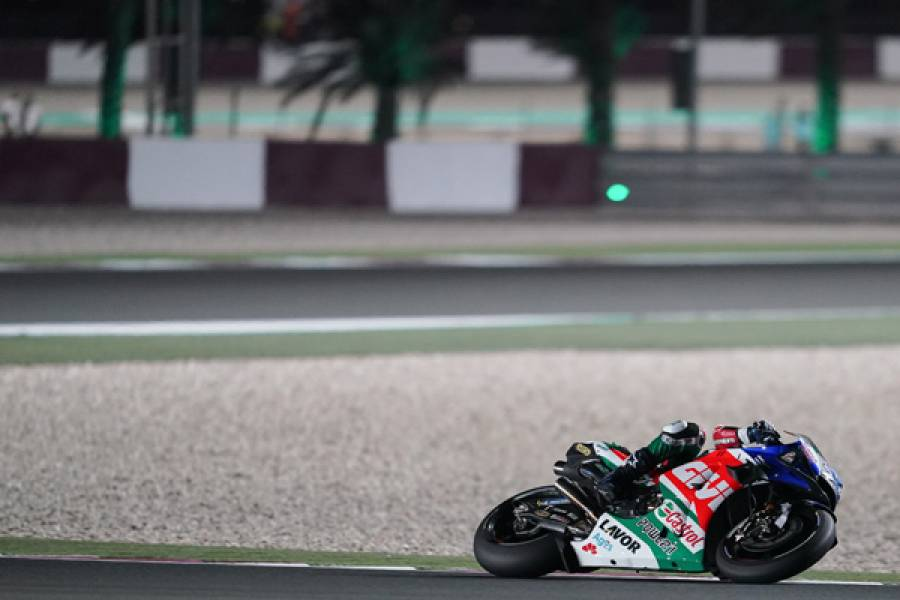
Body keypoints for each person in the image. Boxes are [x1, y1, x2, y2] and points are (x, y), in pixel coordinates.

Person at [590, 419, 780, 506]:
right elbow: (719, 435)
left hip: (687, 500)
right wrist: (754, 433)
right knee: (689, 431)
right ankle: (616, 478)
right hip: (664, 478)